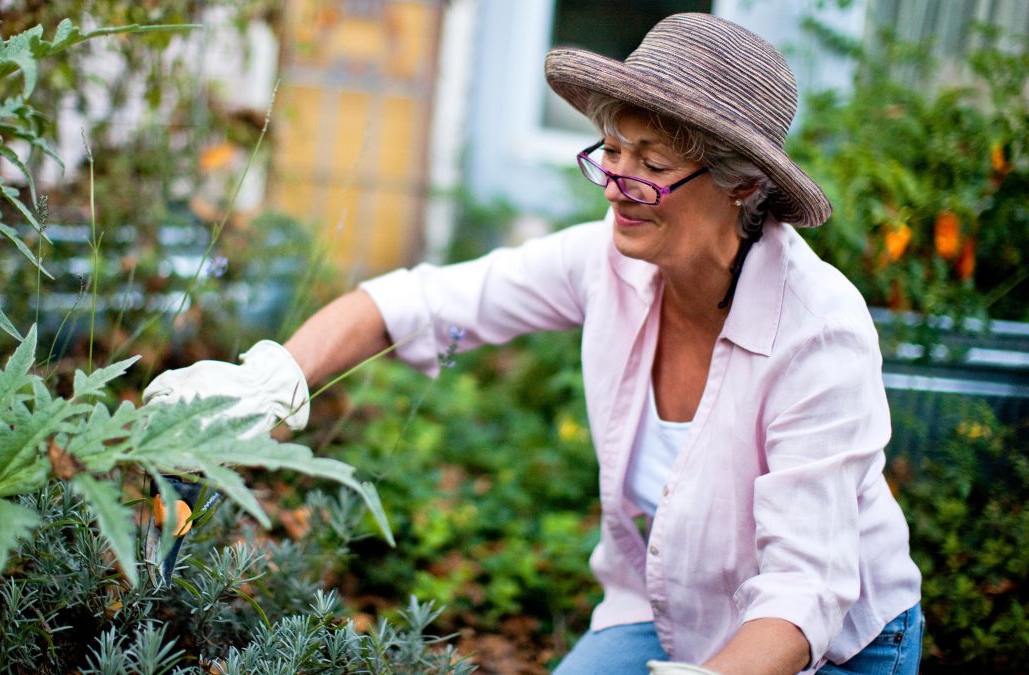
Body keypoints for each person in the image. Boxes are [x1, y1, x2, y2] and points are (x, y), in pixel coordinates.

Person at [143, 12, 923, 675]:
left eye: (651, 166)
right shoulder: (605, 264)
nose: (618, 182)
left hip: (835, 646)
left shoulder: (819, 333)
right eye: (612, 152)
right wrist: (273, 375)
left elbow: (803, 592)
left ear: (743, 186)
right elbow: (413, 302)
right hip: (669, 607)